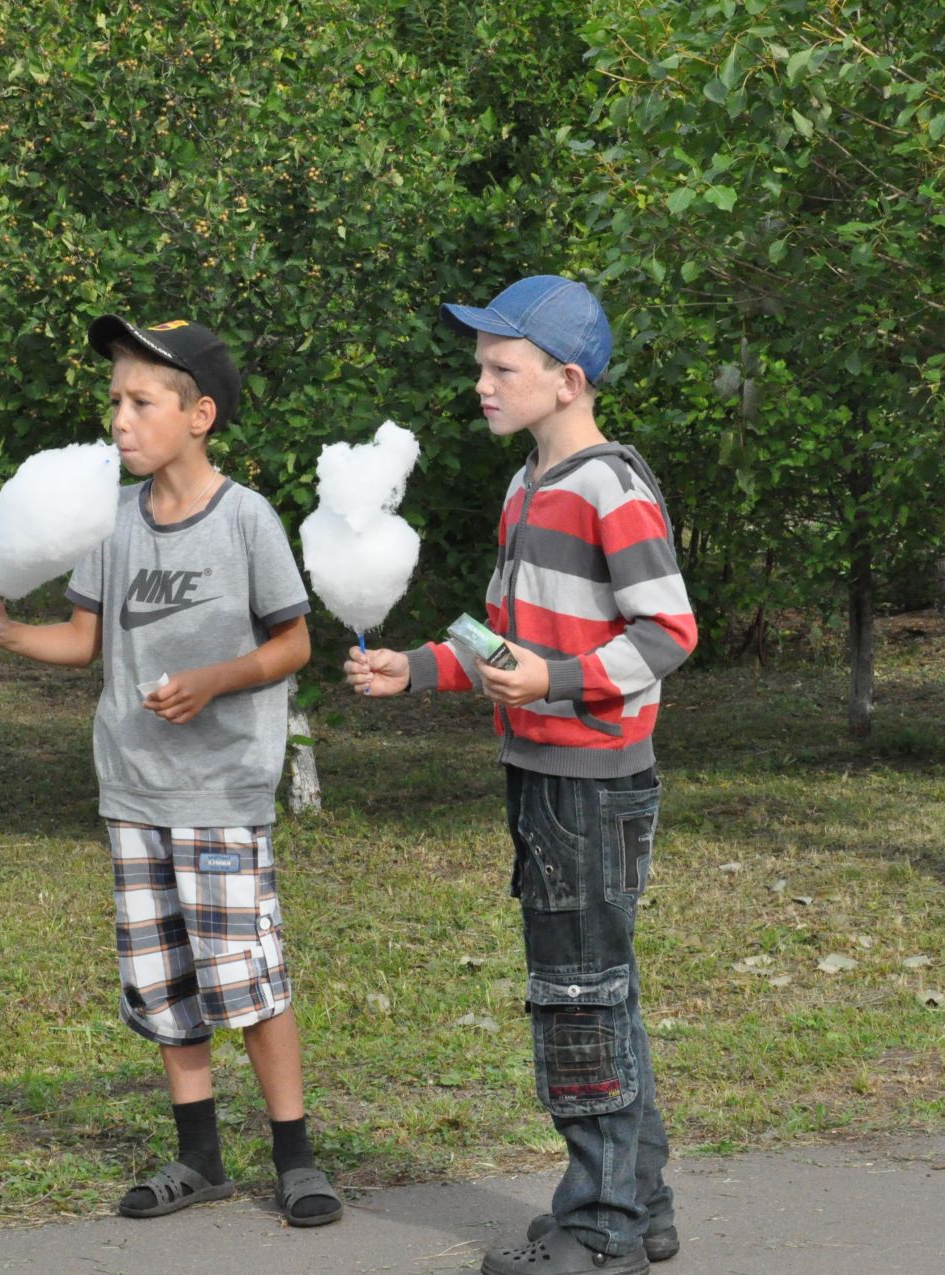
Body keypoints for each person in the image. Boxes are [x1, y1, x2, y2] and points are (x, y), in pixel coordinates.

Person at [0, 315, 342, 1228]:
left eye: (140, 403)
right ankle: (198, 1156)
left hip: (222, 788)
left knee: (245, 978)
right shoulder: (110, 522)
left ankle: (296, 1153)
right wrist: (8, 631)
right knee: (164, 981)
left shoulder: (246, 518)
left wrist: (216, 679)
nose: (119, 421)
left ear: (199, 413)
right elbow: (84, 641)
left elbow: (295, 643)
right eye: (114, 403)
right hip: (132, 789)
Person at [347, 276, 696, 1273]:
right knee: (601, 992)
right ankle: (640, 1203)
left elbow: (669, 632)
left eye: (502, 369)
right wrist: (414, 666)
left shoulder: (607, 489)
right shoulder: (527, 488)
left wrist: (563, 680)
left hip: (592, 782)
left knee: (578, 998)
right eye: (480, 368)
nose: (482, 386)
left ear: (567, 378)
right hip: (544, 777)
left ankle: (602, 1228)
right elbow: (504, 641)